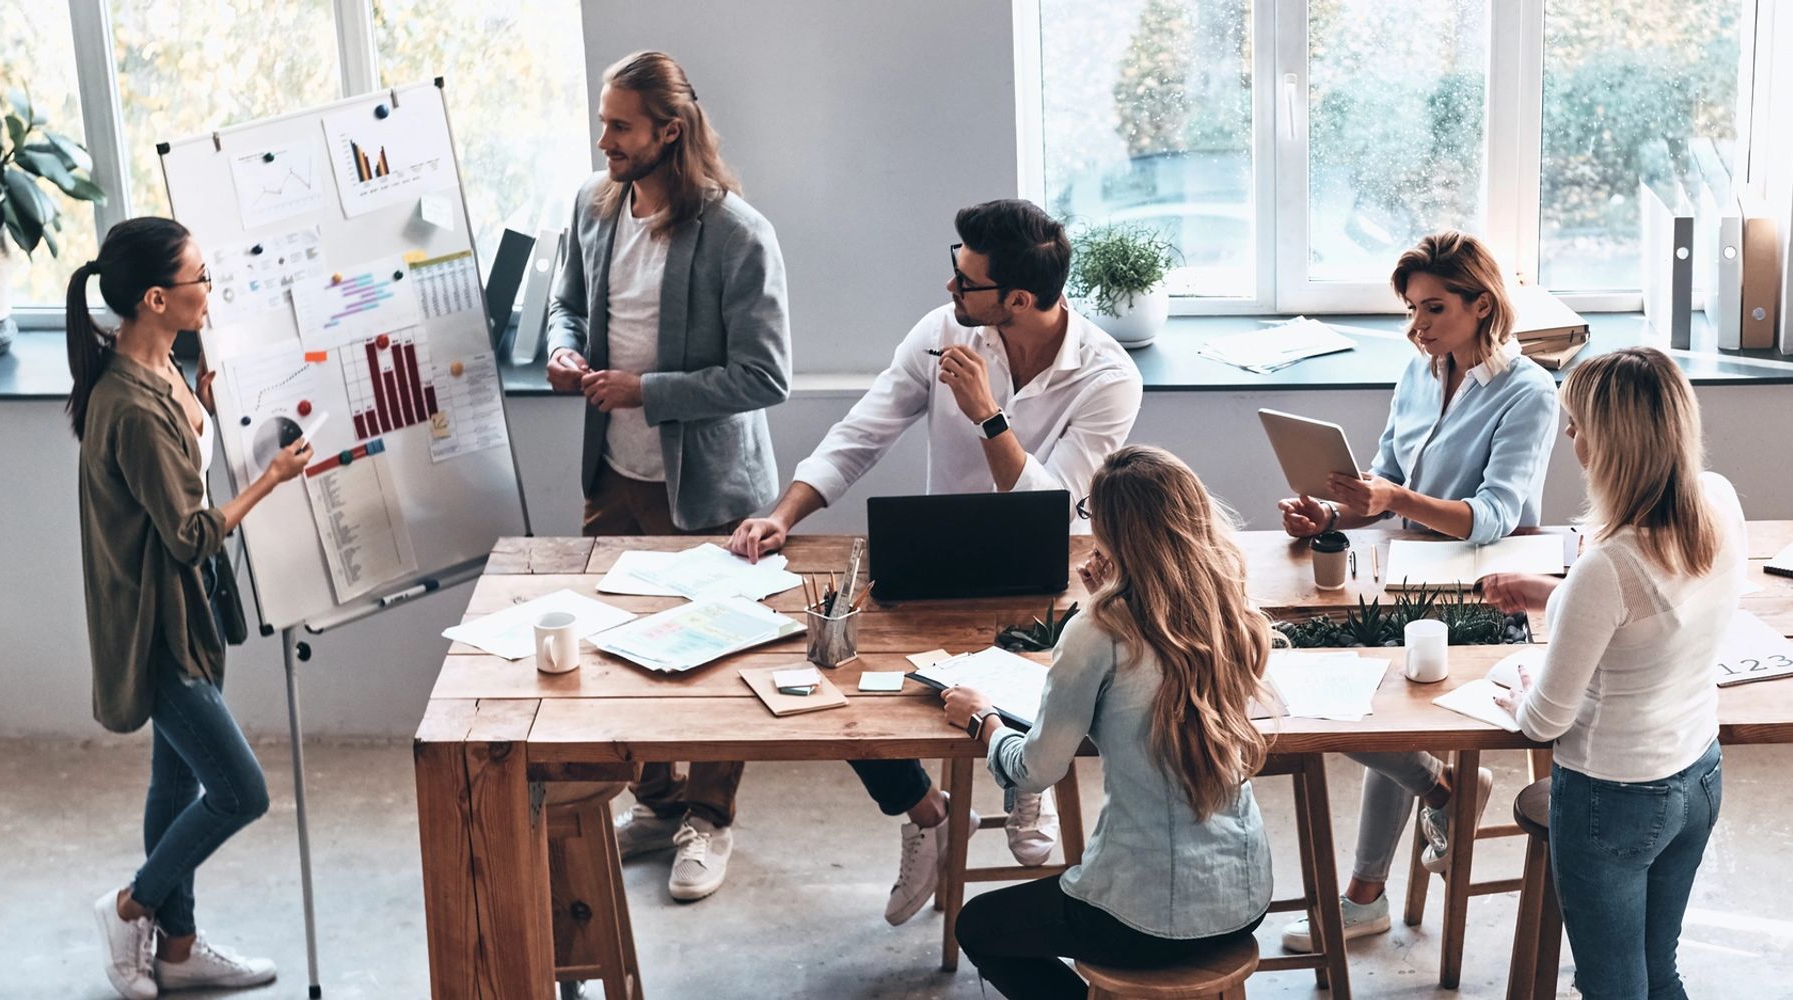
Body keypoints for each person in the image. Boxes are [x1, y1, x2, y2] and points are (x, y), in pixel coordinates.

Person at [727, 198, 1141, 924]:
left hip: (1050, 580)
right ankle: (927, 812)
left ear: (1017, 298)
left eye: (967, 281)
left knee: (1051, 669)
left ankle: (1026, 771)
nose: (952, 290)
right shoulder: (943, 331)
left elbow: (1056, 509)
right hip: (935, 571)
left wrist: (989, 415)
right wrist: (782, 513)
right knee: (835, 687)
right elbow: (863, 430)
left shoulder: (1107, 376)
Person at [543, 50, 795, 902]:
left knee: (719, 663)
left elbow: (765, 377)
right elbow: (566, 301)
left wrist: (645, 392)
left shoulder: (737, 234)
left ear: (669, 131)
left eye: (619, 125)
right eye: (603, 120)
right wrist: (563, 346)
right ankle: (657, 801)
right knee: (609, 647)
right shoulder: (593, 203)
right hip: (611, 476)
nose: (603, 138)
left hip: (711, 491)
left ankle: (709, 821)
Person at [1271, 231, 1559, 954]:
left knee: (1367, 709)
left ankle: (1364, 894)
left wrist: (1397, 496)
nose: (1417, 326)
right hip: (1403, 577)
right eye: (1411, 308)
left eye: (1433, 308)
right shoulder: (1420, 371)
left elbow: (1493, 515)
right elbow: (1382, 480)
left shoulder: (1528, 392)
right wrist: (1333, 512)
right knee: (1324, 689)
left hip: (1487, 593)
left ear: (1481, 304)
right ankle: (1442, 796)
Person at [72, 217, 309, 999]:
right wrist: (270, 480)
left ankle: (177, 950)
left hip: (189, 612)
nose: (210, 287)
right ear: (155, 298)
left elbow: (183, 462)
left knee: (173, 787)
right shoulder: (132, 405)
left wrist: (202, 403)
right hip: (158, 626)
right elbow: (186, 535)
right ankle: (130, 906)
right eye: (198, 277)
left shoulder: (164, 366)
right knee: (242, 791)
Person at [944, 446, 1273, 998]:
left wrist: (985, 722)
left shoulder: (1096, 632)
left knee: (978, 926)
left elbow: (1036, 769)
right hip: (1245, 898)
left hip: (1145, 915)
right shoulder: (1228, 608)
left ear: (1111, 531)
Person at [1477, 347, 1746, 1000]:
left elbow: (1546, 722)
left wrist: (1520, 692)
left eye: (1576, 428)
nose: (1570, 441)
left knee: (1611, 984)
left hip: (1615, 798)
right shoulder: (1718, 502)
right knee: (1659, 970)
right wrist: (1553, 595)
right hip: (1697, 778)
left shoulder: (1606, 567)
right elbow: (1652, 611)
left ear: (1609, 442)